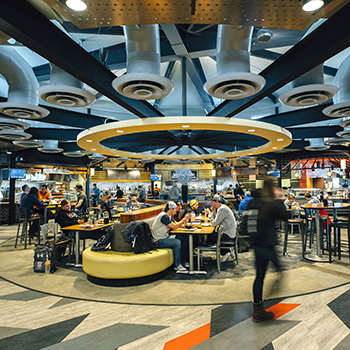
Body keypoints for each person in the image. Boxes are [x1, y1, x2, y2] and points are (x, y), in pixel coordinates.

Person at [247, 177, 289, 322]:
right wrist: (280, 198)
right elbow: (286, 216)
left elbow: (246, 222)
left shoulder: (252, 202)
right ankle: (274, 288)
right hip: (268, 245)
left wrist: (252, 239)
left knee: (259, 277)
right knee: (280, 271)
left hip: (257, 245)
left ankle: (257, 309)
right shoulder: (271, 203)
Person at [151, 201, 192, 272]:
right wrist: (185, 218)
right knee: (177, 242)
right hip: (157, 241)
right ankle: (177, 265)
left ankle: (183, 261)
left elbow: (176, 223)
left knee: (183, 238)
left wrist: (186, 224)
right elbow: (174, 226)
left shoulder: (169, 216)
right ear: (170, 209)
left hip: (164, 238)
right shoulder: (164, 216)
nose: (176, 210)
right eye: (175, 209)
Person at [204, 194, 237, 262]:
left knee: (209, 238)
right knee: (211, 235)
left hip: (228, 235)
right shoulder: (222, 208)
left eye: (212, 202)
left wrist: (210, 214)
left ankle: (226, 251)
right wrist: (213, 212)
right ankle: (227, 249)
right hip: (229, 232)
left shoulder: (222, 209)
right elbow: (217, 220)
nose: (211, 204)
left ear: (217, 201)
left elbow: (214, 223)